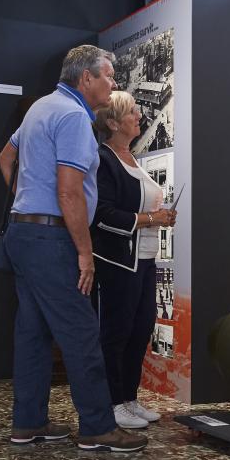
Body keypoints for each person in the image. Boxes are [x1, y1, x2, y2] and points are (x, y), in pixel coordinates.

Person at [0, 44, 146, 453]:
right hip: (51, 238)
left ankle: (27, 423)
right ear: (86, 79)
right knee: (81, 331)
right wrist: (84, 251)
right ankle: (98, 427)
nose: (113, 83)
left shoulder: (40, 108)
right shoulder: (74, 116)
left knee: (33, 332)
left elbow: (5, 157)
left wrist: (29, 201)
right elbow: (69, 191)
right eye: (109, 76)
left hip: (23, 234)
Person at [92, 90, 177, 429]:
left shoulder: (132, 156)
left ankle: (129, 398)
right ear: (113, 122)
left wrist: (160, 216)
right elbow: (102, 214)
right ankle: (112, 402)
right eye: (132, 113)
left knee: (140, 329)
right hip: (118, 262)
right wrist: (152, 219)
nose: (139, 116)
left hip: (144, 260)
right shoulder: (103, 159)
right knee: (116, 333)